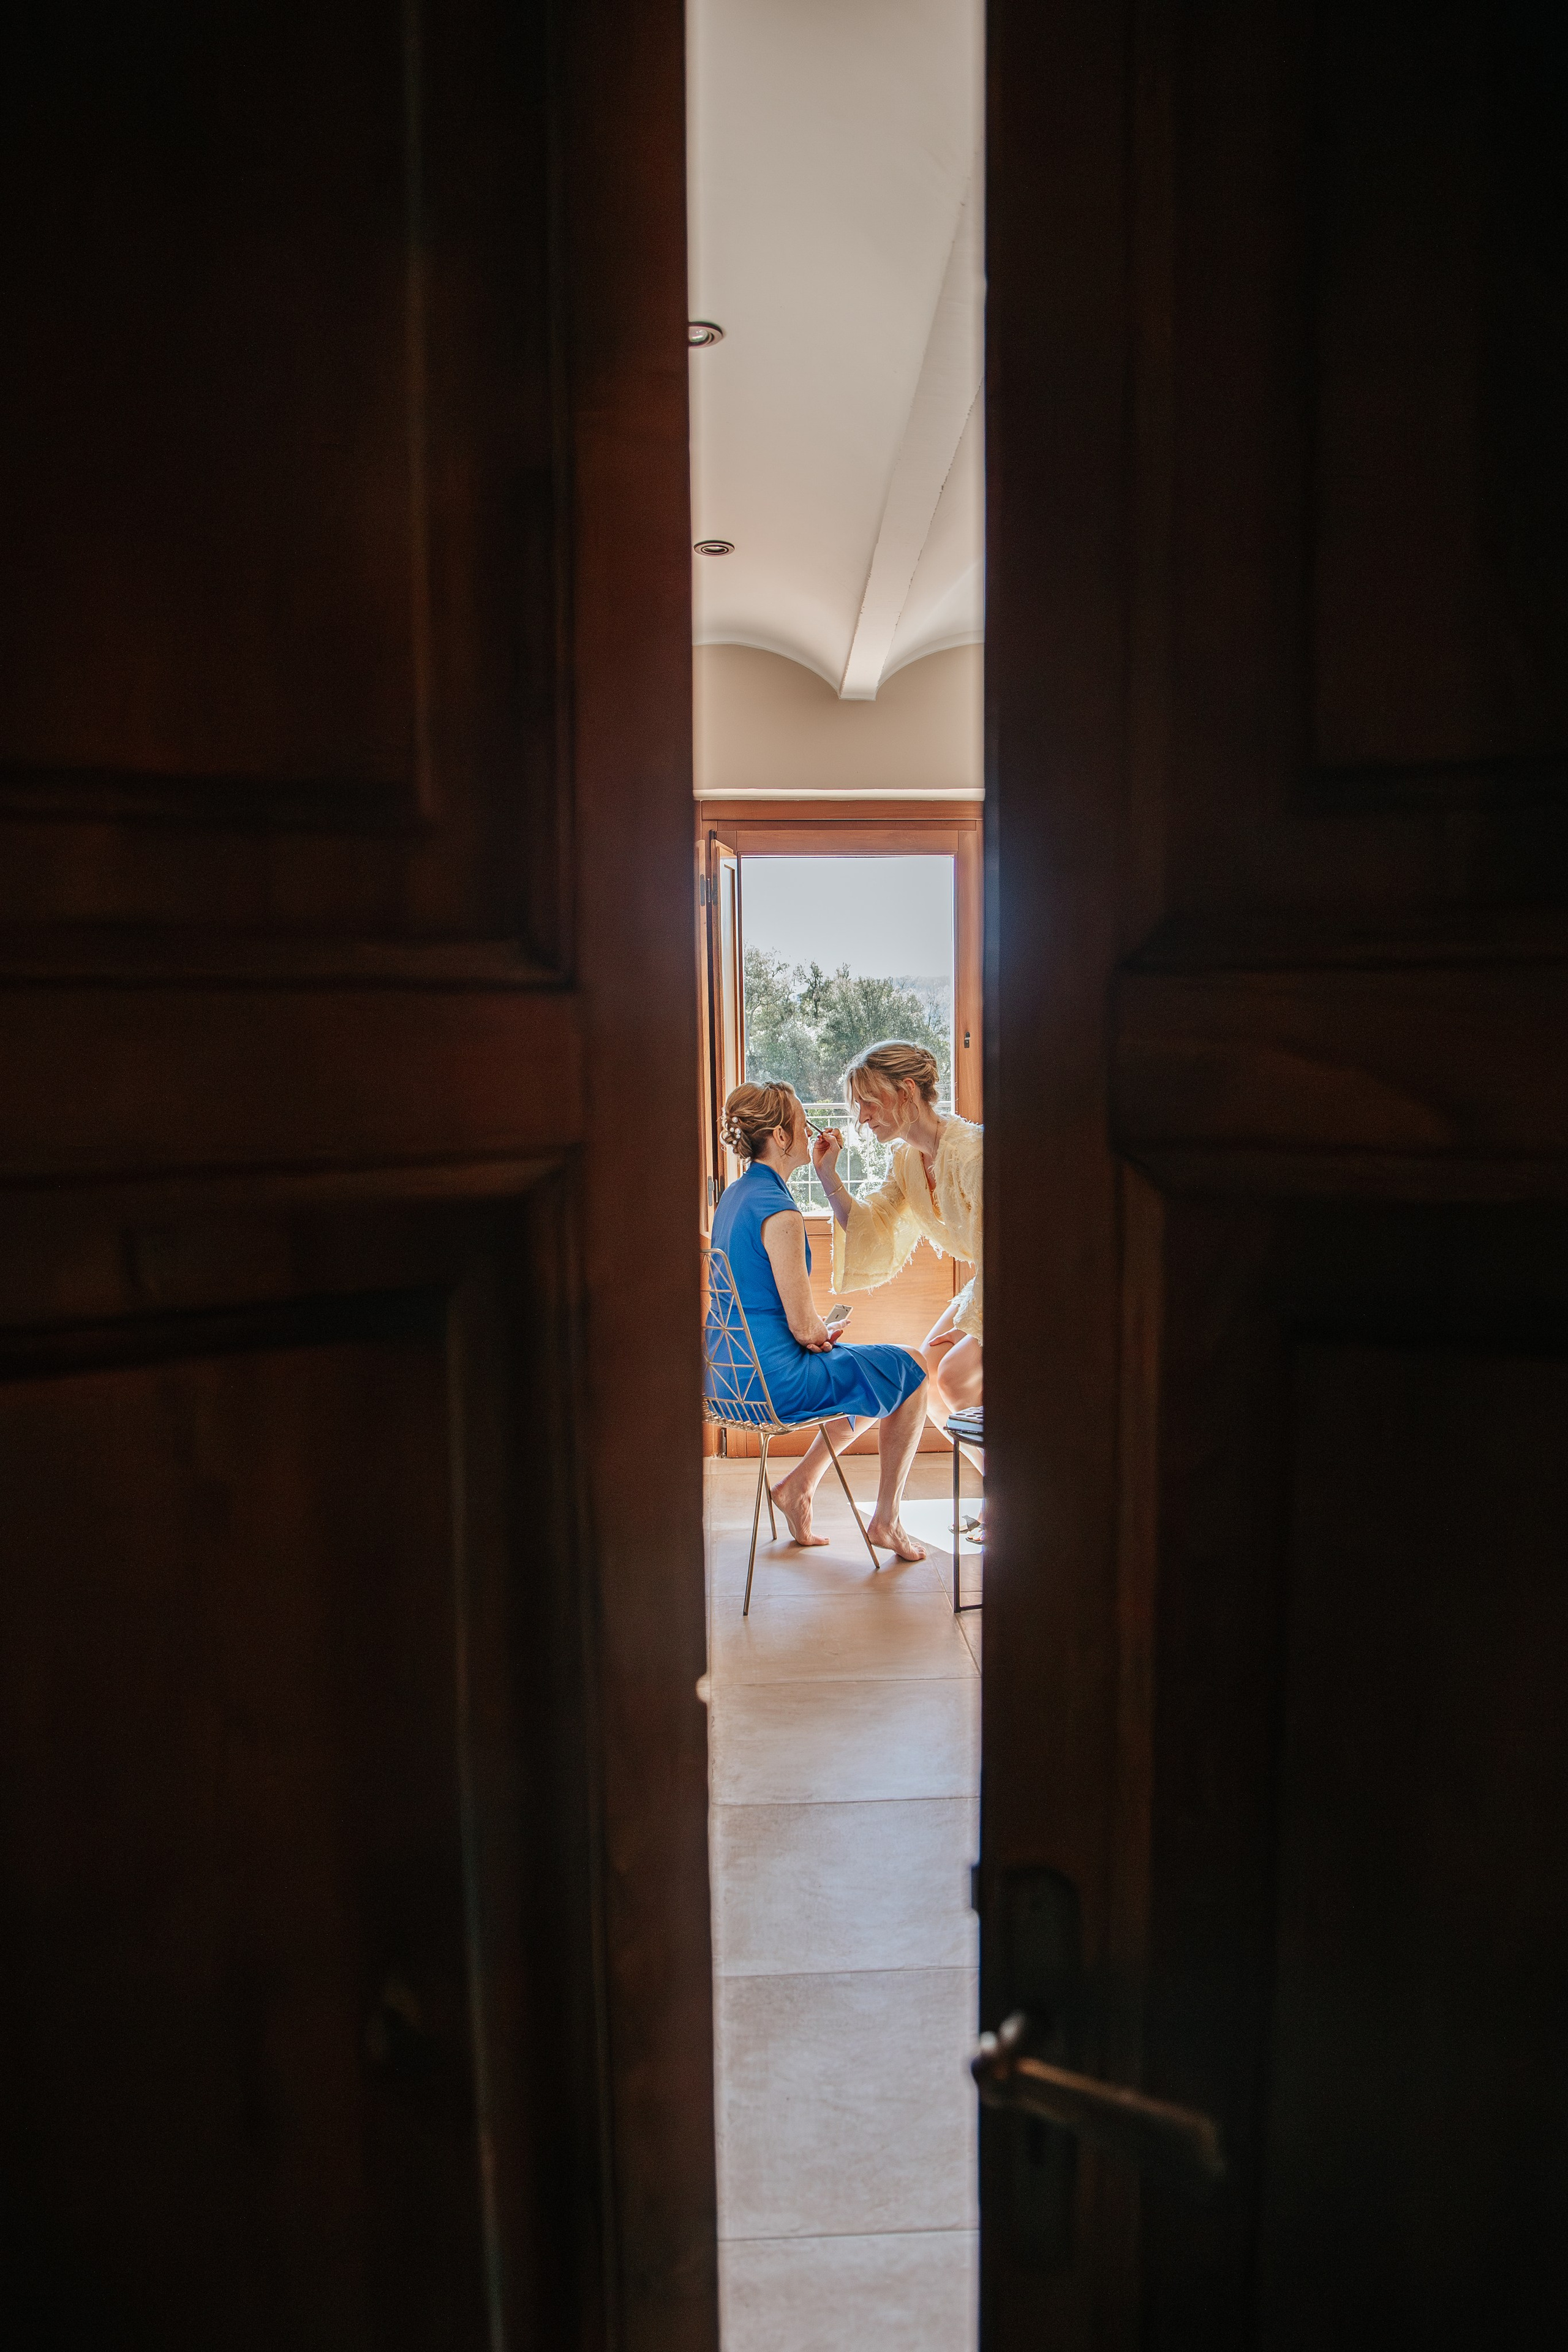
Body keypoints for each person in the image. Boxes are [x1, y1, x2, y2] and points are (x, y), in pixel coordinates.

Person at [708, 1079, 931, 1560]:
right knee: (911, 1369)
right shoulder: (781, 1212)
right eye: (801, 1121)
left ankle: (799, 1487)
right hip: (773, 1383)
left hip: (726, 1374)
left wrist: (823, 1171)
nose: (810, 1129)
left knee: (873, 1374)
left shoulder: (733, 1196)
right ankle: (887, 1520)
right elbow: (804, 1328)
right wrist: (819, 1332)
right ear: (781, 1136)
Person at [810, 1039, 982, 1422]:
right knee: (927, 1377)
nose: (862, 1117)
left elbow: (1015, 1249)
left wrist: (971, 1324)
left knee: (953, 1376)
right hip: (989, 1279)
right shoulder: (906, 1158)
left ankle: (1012, 1458)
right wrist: (827, 1175)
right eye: (858, 1106)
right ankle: (986, 1460)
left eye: (869, 1102)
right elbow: (873, 1225)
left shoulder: (972, 1153)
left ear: (906, 1091)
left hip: (1027, 1278)